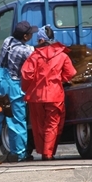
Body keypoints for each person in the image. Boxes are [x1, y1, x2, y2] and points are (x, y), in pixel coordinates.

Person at [21, 24, 77, 160]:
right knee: (52, 125)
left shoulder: (34, 56)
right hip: (55, 95)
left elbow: (26, 75)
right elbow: (71, 73)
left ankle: (43, 151)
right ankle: (48, 153)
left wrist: (28, 88)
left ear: (41, 40)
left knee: (38, 125)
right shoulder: (62, 55)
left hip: (36, 96)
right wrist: (60, 79)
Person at [0, 21, 38, 161]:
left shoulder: (8, 41)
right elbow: (36, 58)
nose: (32, 35)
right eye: (30, 34)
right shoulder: (25, 51)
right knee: (15, 119)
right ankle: (19, 154)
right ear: (25, 36)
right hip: (12, 85)